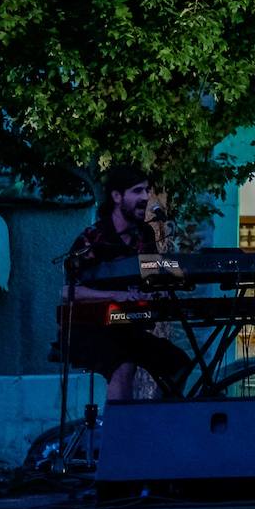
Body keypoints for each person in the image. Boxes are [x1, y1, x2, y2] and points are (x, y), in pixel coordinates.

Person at [60, 166, 190, 402]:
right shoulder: (93, 237)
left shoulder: (145, 236)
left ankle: (158, 421)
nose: (145, 197)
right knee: (123, 364)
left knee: (178, 363)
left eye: (147, 190)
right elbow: (68, 291)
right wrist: (115, 296)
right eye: (137, 191)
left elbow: (151, 277)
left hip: (127, 328)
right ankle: (117, 435)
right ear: (117, 196)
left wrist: (156, 291)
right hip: (91, 329)